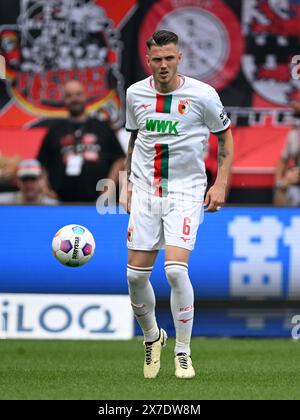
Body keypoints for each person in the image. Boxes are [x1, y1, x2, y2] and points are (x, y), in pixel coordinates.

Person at [120, 30, 234, 379]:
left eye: (170, 58)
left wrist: (221, 183)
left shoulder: (202, 95)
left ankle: (183, 351)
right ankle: (153, 338)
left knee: (174, 270)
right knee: (135, 276)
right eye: (157, 59)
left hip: (186, 191)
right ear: (148, 59)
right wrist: (126, 183)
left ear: (179, 57)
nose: (164, 65)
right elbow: (135, 138)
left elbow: (225, 137)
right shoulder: (135, 93)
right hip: (145, 191)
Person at [37, 80, 125, 202]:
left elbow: (119, 159)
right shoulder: (54, 131)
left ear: (85, 96)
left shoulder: (102, 127)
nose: (74, 99)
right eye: (69, 95)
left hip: (98, 202)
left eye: (78, 94)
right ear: (64, 100)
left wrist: (109, 186)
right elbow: (42, 163)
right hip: (61, 202)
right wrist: (44, 187)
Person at [274, 93, 300, 206]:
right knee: (283, 191)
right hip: (295, 183)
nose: (294, 105)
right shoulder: (293, 134)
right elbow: (282, 160)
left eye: (298, 102)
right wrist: (281, 182)